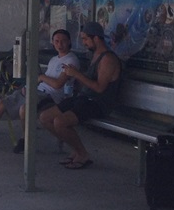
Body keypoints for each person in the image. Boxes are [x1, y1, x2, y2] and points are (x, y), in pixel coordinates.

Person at [0, 29, 79, 151]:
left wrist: (41, 77)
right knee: (1, 103)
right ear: (52, 42)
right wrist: (29, 87)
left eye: (63, 41)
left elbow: (58, 84)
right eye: (57, 41)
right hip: (37, 91)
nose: (60, 44)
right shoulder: (54, 59)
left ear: (69, 42)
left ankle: (25, 140)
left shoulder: (71, 60)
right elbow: (43, 81)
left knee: (25, 109)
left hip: (50, 96)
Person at [38, 21, 122, 169]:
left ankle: (82, 154)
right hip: (83, 98)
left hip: (97, 103)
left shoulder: (108, 59)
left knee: (60, 122)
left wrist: (76, 74)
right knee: (45, 117)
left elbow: (99, 88)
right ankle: (76, 150)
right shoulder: (95, 55)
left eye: (85, 39)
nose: (83, 43)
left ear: (96, 38)